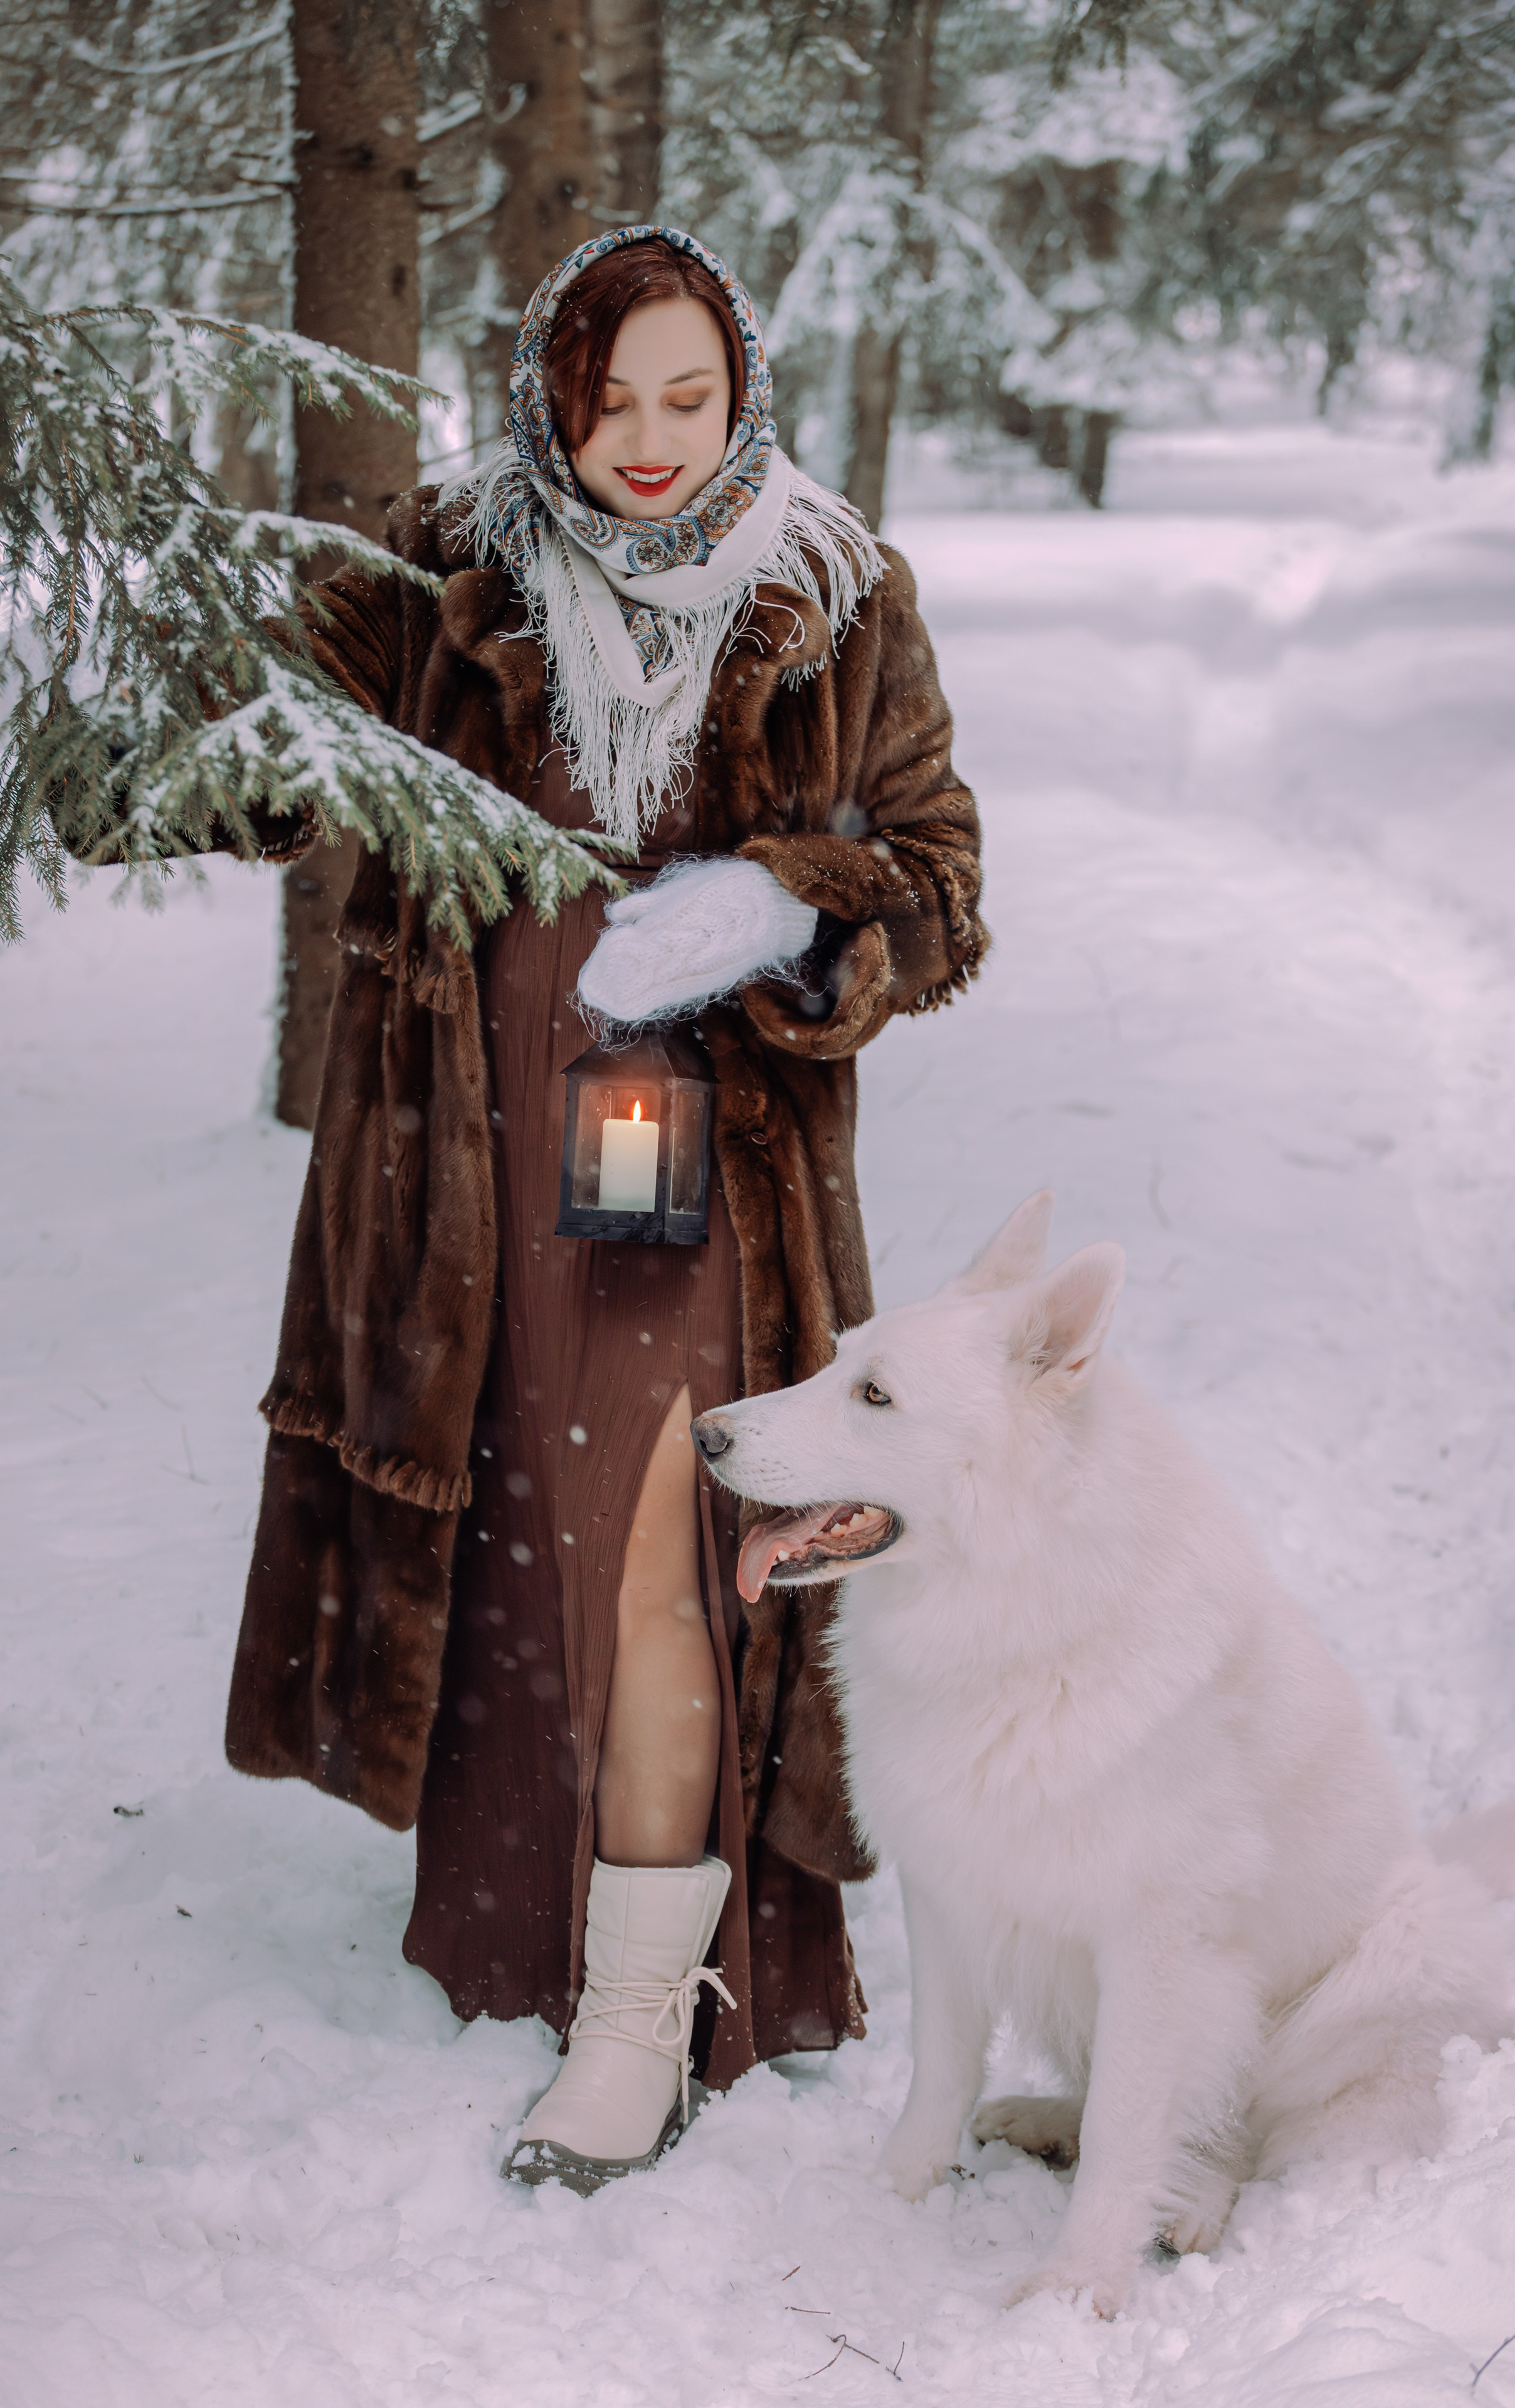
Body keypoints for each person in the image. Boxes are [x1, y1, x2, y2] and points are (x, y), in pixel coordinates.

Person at [224, 225, 987, 2191]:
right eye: (609, 399)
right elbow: (254, 763)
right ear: (552, 396)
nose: (649, 441)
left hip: (704, 1180)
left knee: (661, 1552)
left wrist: (785, 906)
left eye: (689, 397)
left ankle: (648, 2011)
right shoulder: (439, 569)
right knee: (513, 1550)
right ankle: (514, 1926)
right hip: (461, 1170)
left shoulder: (831, 591)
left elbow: (937, 877)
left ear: (741, 394)